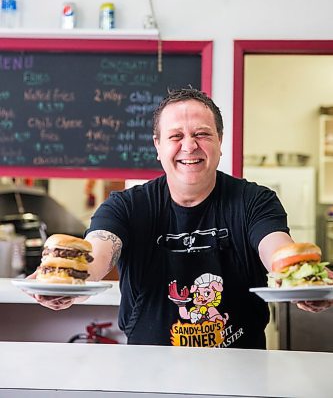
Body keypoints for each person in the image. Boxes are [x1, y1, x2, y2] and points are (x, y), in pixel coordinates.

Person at [32, 88, 333, 348]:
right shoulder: (125, 206)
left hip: (241, 369)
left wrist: (302, 280)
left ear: (220, 141)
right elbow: (96, 255)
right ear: (157, 146)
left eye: (202, 134)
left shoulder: (254, 200)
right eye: (176, 136)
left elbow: (278, 252)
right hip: (149, 371)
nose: (189, 146)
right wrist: (65, 283)